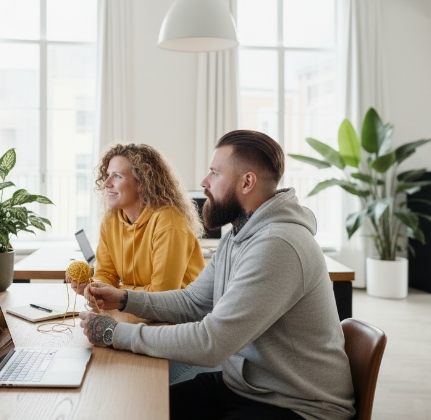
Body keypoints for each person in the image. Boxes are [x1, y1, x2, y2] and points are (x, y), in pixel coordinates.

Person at [79, 130, 356, 420]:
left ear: (247, 182)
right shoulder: (238, 234)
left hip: (297, 406)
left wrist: (115, 333)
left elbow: (211, 343)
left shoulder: (278, 245)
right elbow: (195, 301)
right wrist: (124, 299)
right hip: (244, 389)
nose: (203, 182)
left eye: (214, 173)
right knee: (138, 410)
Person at [67, 143, 205, 294]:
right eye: (107, 175)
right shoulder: (111, 220)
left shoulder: (169, 221)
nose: (106, 183)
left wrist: (115, 295)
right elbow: (106, 275)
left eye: (117, 176)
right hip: (139, 312)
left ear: (143, 183)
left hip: (181, 314)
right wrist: (93, 289)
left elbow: (162, 295)